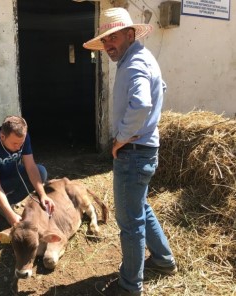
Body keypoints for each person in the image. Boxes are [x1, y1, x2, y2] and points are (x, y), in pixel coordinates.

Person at [83, 7, 177, 296]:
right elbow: (161, 87)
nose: (109, 45)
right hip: (144, 150)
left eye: (113, 38)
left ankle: (129, 285)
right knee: (141, 210)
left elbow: (142, 104)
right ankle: (163, 260)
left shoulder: (134, 62)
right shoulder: (142, 58)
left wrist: (120, 139)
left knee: (130, 223)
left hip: (134, 153)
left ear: (129, 33)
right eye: (105, 40)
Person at [0, 115, 55, 238]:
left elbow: (31, 167)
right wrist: (10, 216)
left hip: (8, 176)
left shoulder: (22, 138)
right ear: (2, 136)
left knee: (41, 172)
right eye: (15, 144)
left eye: (21, 143)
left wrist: (43, 195)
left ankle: (7, 203)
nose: (18, 147)